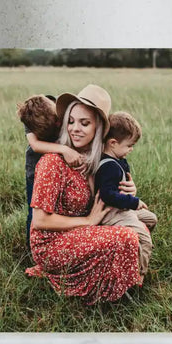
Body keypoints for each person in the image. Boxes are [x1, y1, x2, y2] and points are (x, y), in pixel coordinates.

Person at [25, 85, 142, 303]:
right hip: (52, 243)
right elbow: (40, 221)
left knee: (141, 223)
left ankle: (104, 275)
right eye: (71, 121)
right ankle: (100, 290)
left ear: (98, 129)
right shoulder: (52, 161)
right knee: (127, 236)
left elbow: (111, 193)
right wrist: (88, 221)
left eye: (84, 123)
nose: (75, 129)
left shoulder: (95, 160)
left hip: (80, 233)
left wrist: (129, 189)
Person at [95, 112, 157, 281]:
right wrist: (134, 202)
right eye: (129, 145)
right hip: (111, 214)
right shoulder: (108, 167)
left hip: (121, 210)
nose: (132, 149)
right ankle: (138, 276)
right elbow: (108, 195)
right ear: (113, 143)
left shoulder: (117, 159)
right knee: (145, 239)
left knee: (151, 219)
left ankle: (131, 254)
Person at [16, 94, 84, 244]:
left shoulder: (52, 104)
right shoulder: (30, 117)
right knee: (34, 209)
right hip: (35, 166)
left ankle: (64, 236)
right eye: (57, 123)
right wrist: (64, 150)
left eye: (58, 121)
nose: (60, 123)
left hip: (62, 165)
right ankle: (31, 247)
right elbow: (35, 145)